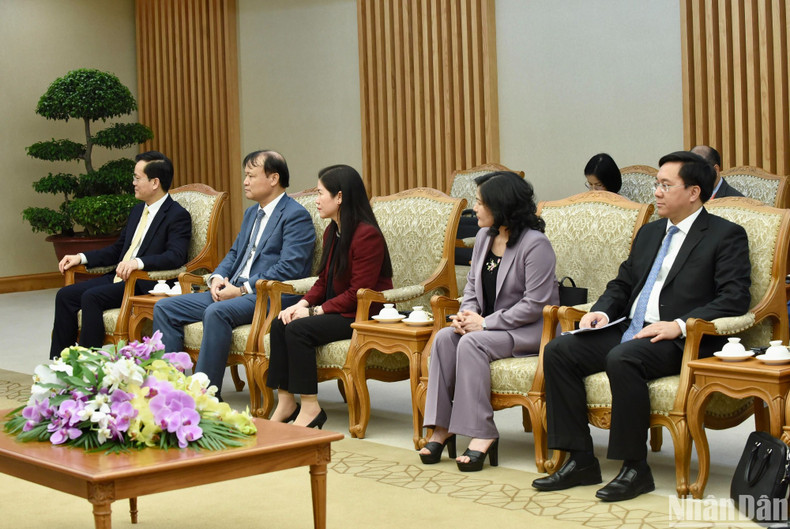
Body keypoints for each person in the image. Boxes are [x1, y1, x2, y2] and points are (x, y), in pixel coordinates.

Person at [532, 151, 751, 501]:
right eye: (656, 184)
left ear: (693, 192)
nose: (657, 192)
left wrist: (678, 325)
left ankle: (635, 469)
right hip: (630, 327)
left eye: (666, 185)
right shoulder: (650, 233)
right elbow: (622, 284)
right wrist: (601, 312)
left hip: (682, 338)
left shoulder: (725, 235)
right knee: (560, 350)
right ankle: (581, 459)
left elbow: (734, 299)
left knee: (624, 357)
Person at [420, 172, 560, 472]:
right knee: (446, 338)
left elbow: (535, 304)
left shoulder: (536, 245)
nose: (476, 209)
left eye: (482, 203)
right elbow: (471, 286)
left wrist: (485, 323)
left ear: (502, 206)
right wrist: (464, 316)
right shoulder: (484, 237)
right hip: (487, 326)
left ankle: (482, 433)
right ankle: (441, 428)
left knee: (472, 342)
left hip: (529, 331)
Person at [153, 150, 314, 397]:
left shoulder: (295, 216)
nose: (245, 182)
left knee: (216, 312)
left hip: (266, 295)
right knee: (165, 308)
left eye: (251, 175)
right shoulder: (252, 213)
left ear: (273, 178)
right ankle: (168, 391)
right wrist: (217, 277)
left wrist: (241, 289)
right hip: (234, 290)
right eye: (245, 175)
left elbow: (290, 268)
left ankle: (204, 395)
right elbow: (234, 253)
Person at [266, 164, 393, 428]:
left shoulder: (366, 234)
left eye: (321, 193)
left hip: (361, 314)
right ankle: (287, 401)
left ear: (340, 197)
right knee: (281, 322)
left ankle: (311, 408)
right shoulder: (332, 231)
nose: (316, 200)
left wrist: (314, 312)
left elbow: (359, 293)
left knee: (298, 330)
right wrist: (301, 304)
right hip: (338, 309)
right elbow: (323, 280)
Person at [50, 151, 192, 359]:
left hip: (144, 282)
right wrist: (81, 257)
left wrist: (138, 263)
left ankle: (91, 366)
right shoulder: (137, 211)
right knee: (65, 296)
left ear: (155, 182)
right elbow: (117, 250)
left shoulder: (177, 215)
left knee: (92, 297)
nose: (133, 182)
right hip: (120, 278)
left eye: (137, 177)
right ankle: (59, 366)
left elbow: (175, 256)